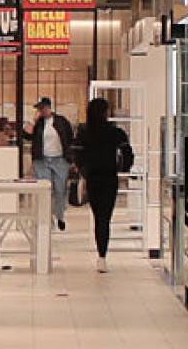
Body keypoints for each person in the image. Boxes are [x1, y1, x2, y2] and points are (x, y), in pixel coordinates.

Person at [74, 97, 133, 273]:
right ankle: (102, 255)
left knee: (98, 215)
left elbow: (77, 155)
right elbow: (127, 152)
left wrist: (83, 170)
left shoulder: (84, 132)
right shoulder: (114, 132)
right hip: (109, 177)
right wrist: (123, 168)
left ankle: (101, 254)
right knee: (105, 217)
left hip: (93, 177)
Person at [16, 97, 74, 231]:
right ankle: (47, 219)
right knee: (46, 190)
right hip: (42, 161)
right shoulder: (38, 124)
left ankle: (59, 216)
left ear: (49, 107)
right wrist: (33, 120)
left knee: (60, 190)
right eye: (39, 109)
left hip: (60, 160)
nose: (41, 111)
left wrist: (70, 158)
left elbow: (70, 138)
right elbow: (26, 135)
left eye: (43, 108)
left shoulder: (61, 121)